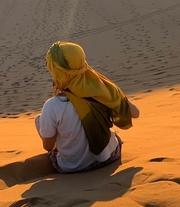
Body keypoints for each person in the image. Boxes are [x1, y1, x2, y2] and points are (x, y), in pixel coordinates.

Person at [35, 41, 140, 173]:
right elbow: (135, 113)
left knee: (40, 120)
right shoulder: (101, 89)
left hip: (71, 167)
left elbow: (48, 147)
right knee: (115, 137)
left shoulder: (52, 106)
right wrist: (111, 94)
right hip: (109, 157)